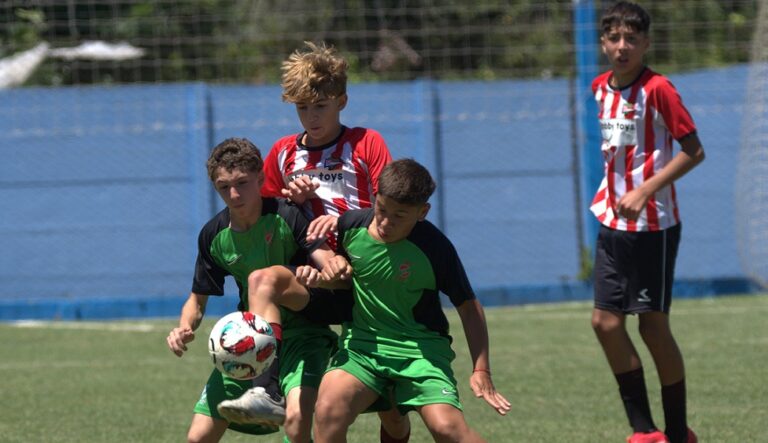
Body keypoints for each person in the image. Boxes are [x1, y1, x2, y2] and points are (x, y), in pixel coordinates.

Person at [216, 41, 411, 443]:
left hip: (367, 278)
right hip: (315, 279)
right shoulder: (284, 154)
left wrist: (335, 221)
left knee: (391, 413)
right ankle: (266, 387)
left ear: (341, 100)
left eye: (320, 105)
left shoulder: (366, 143)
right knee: (263, 280)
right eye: (302, 108)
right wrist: (293, 200)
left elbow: (388, 209)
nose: (311, 116)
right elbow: (265, 213)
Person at [306, 159, 511, 443]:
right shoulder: (350, 228)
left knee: (448, 430)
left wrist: (481, 369)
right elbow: (340, 273)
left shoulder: (434, 247)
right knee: (328, 411)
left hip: (421, 352)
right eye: (381, 210)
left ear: (422, 212)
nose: (386, 222)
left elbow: (468, 306)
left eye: (399, 216)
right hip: (362, 350)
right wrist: (334, 265)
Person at [165, 137, 338, 443]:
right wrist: (183, 327)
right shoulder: (214, 235)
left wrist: (325, 272)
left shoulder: (287, 215)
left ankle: (268, 391)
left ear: (260, 179)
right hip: (249, 341)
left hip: (304, 336)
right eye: (223, 187)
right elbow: (197, 299)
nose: (233, 194)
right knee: (197, 437)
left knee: (296, 426)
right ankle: (263, 386)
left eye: (242, 183)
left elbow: (329, 264)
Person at [588, 3, 704, 443]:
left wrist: (644, 189)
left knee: (652, 326)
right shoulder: (599, 87)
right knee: (605, 323)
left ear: (645, 44)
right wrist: (619, 194)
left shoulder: (659, 90)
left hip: (653, 226)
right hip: (611, 222)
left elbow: (694, 151)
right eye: (615, 38)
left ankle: (677, 433)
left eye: (631, 39)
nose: (622, 47)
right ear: (604, 43)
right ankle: (644, 431)